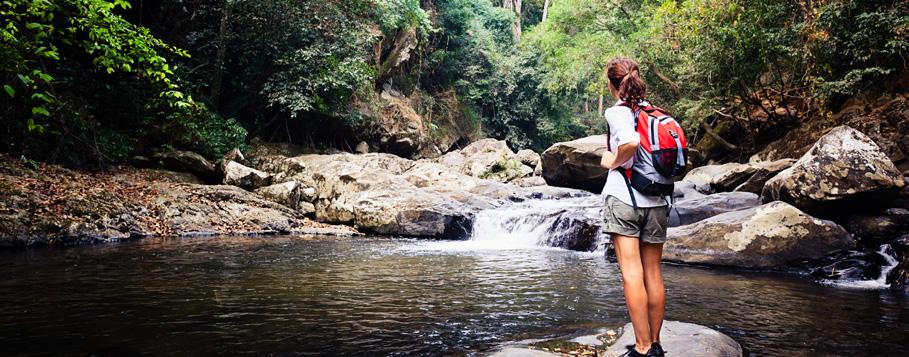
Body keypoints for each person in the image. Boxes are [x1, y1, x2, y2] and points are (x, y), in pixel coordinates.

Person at [599, 57, 668, 357]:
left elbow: (629, 143)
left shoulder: (617, 113)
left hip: (624, 199)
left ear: (613, 85)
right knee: (653, 272)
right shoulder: (652, 111)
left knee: (632, 274)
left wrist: (612, 161)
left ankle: (642, 347)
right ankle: (656, 343)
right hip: (656, 201)